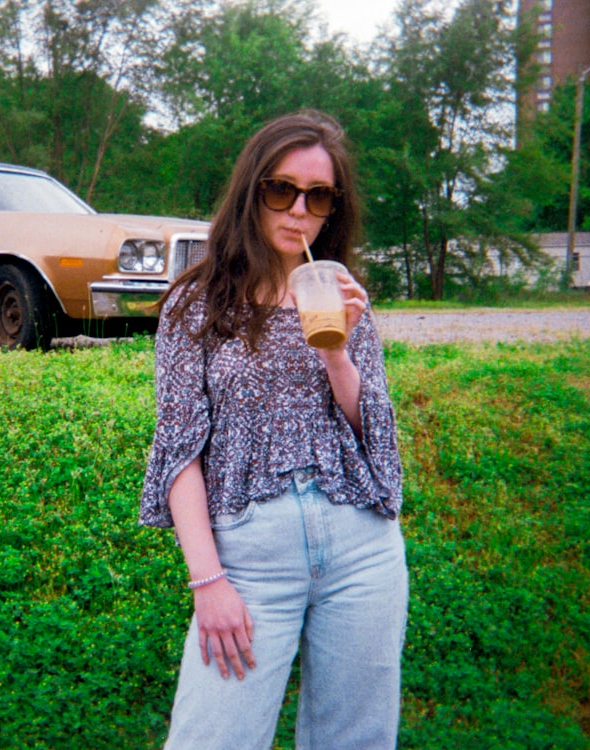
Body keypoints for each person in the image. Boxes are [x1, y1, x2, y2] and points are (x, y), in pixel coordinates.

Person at [139, 110, 408, 749]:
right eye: (281, 189)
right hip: (251, 559)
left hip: (360, 551)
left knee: (356, 742)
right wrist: (208, 581)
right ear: (252, 191)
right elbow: (179, 451)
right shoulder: (196, 304)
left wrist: (337, 349)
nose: (298, 211)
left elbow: (373, 433)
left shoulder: (342, 294)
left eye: (318, 197)